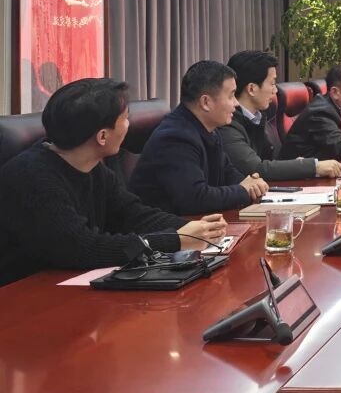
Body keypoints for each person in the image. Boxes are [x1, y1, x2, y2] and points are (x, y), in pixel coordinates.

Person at [0, 78, 227, 287]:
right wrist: (174, 241)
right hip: (25, 296)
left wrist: (194, 230)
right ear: (102, 136)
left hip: (67, 285)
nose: (129, 125)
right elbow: (82, 248)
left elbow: (133, 214)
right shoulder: (31, 177)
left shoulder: (92, 166)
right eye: (125, 118)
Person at [129, 61, 268, 215]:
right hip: (168, 226)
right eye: (231, 96)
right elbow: (196, 198)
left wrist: (251, 184)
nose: (236, 104)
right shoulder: (175, 138)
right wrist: (243, 190)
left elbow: (228, 173)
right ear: (206, 102)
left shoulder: (208, 129)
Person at [221, 50, 341, 180]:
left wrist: (297, 164)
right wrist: (313, 167)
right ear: (252, 89)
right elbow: (256, 169)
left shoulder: (257, 117)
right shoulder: (227, 123)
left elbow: (270, 161)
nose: (275, 91)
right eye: (272, 83)